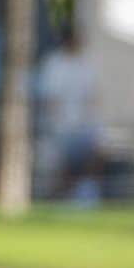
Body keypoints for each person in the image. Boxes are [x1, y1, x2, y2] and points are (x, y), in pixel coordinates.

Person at [37, 28, 104, 204]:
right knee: (61, 167)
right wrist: (60, 126)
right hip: (61, 128)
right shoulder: (54, 65)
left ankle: (86, 196)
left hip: (85, 127)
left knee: (94, 158)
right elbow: (51, 100)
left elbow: (93, 98)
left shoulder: (87, 64)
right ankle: (60, 199)